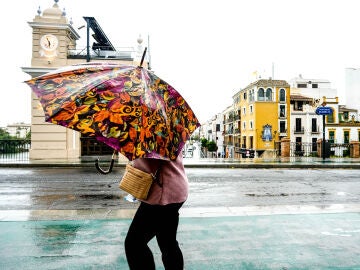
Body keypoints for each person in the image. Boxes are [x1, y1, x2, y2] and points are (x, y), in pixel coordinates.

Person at [124, 153, 188, 270]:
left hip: (162, 194)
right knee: (167, 242)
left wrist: (133, 159)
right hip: (176, 189)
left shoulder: (151, 137)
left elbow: (149, 166)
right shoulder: (167, 135)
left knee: (134, 244)